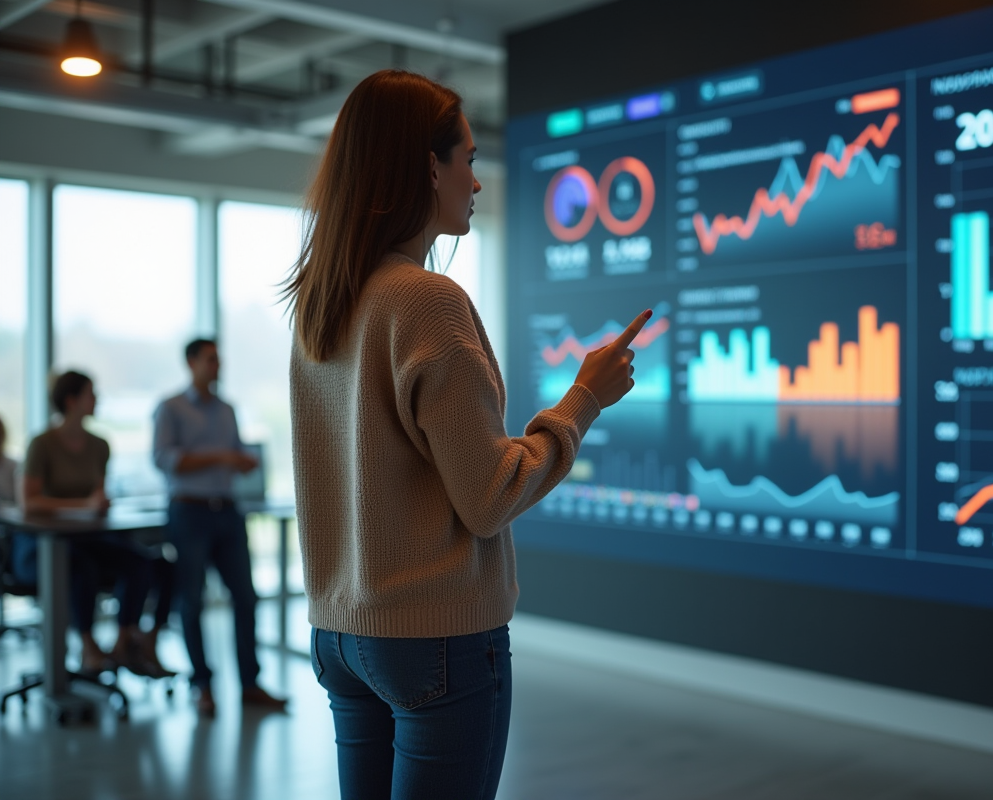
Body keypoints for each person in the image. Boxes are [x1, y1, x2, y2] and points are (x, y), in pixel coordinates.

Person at [286, 70, 648, 800]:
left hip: (341, 635)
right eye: (470, 159)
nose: (477, 182)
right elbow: (490, 497)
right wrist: (584, 400)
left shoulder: (324, 304)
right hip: (434, 642)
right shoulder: (426, 301)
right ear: (430, 168)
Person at [152, 339, 287, 717]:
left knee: (245, 597)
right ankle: (203, 685)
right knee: (192, 600)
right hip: (189, 511)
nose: (217, 365)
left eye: (219, 359)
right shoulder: (171, 408)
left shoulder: (227, 409)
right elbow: (164, 459)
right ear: (191, 362)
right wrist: (222, 457)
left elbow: (235, 452)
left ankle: (250, 684)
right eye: (211, 359)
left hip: (226, 510)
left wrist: (240, 460)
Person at [19, 371, 165, 676]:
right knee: (80, 567)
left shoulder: (99, 445)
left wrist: (98, 504)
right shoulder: (42, 444)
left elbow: (98, 494)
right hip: (41, 546)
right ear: (72, 401)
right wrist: (82, 505)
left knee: (140, 562)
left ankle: (124, 642)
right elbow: (29, 501)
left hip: (86, 537)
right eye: (91, 393)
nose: (97, 399)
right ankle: (88, 646)